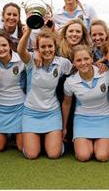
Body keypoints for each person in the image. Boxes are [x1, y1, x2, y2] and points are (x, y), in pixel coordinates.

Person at [17, 26, 72, 159]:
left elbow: (78, 70)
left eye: (50, 46)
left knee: (54, 154)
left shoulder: (63, 63)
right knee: (31, 155)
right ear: (38, 48)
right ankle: (37, 141)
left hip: (52, 112)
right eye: (43, 47)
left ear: (55, 46)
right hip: (31, 112)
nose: (47, 50)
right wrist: (29, 29)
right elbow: (20, 50)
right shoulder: (31, 61)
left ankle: (49, 141)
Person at [62, 45, 109, 162]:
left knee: (101, 156)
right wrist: (64, 127)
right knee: (84, 156)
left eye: (86, 59)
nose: (83, 63)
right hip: (82, 119)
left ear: (91, 59)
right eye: (78, 60)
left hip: (104, 118)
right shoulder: (70, 82)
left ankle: (103, 145)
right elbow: (66, 104)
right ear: (74, 63)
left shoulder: (105, 73)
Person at [0, 31, 26, 152]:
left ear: (10, 45)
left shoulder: (21, 59)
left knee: (22, 148)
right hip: (0, 107)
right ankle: (9, 134)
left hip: (19, 106)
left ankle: (15, 133)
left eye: (4, 45)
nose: (1, 49)